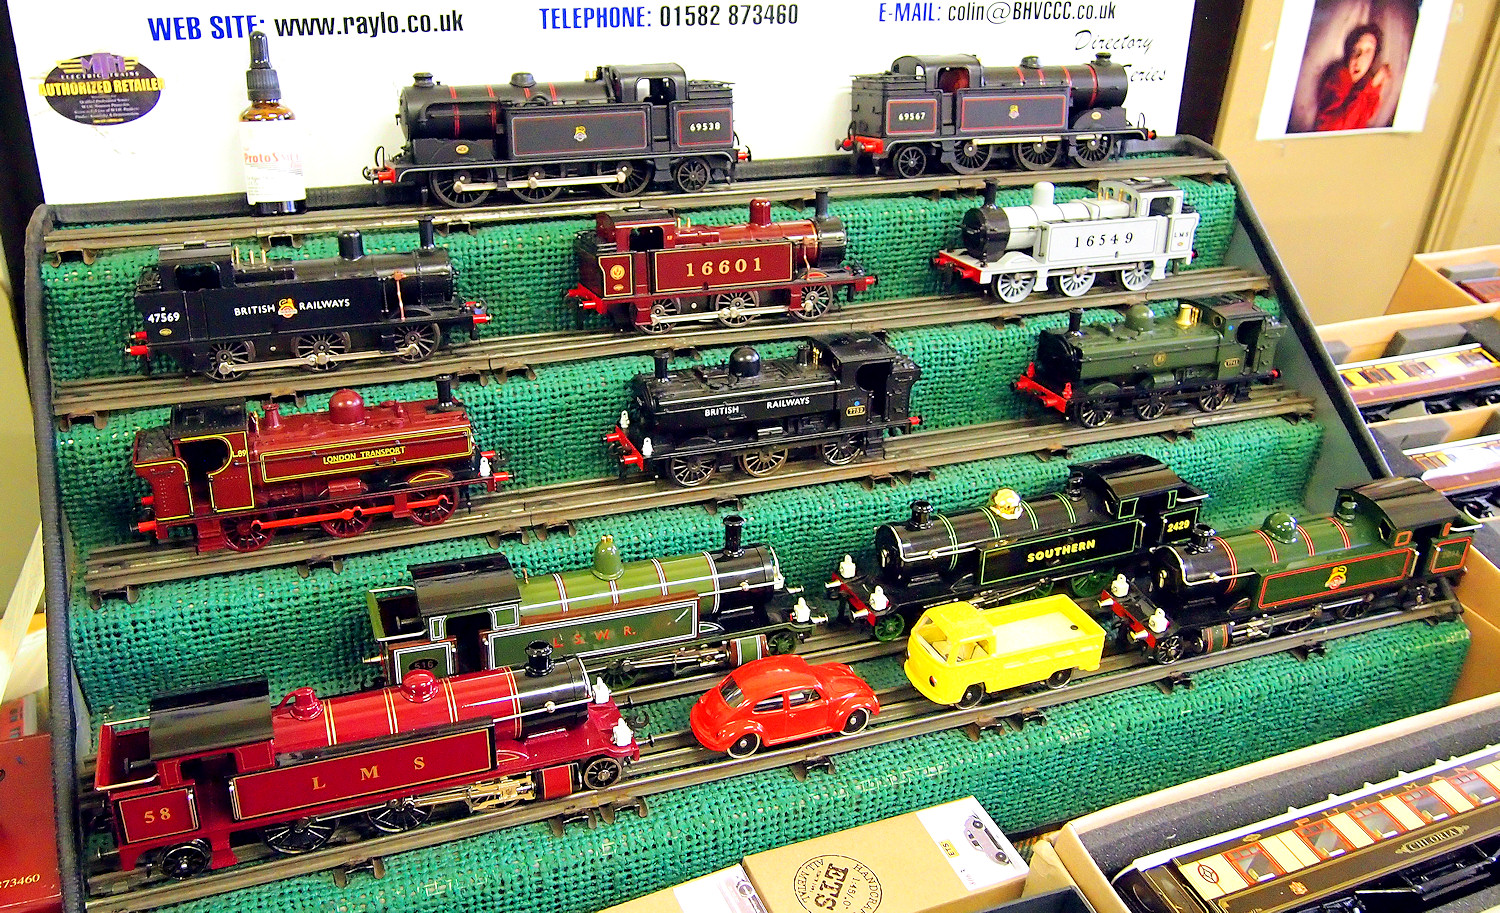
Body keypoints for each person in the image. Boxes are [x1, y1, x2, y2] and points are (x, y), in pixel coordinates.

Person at [1313, 23, 1391, 131]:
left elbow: (1364, 118)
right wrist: (1371, 86)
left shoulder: (1366, 83)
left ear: (1373, 59)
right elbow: (1333, 129)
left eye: (1368, 51)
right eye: (1356, 50)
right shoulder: (1339, 76)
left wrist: (1373, 87)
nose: (1359, 58)